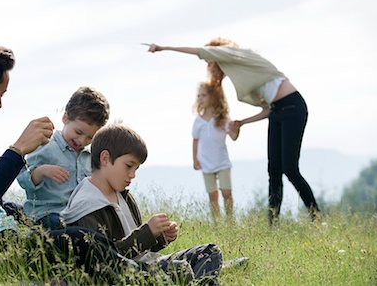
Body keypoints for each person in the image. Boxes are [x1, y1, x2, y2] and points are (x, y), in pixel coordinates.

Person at [0, 42, 155, 283]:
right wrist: (17, 151)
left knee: (88, 239)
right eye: (0, 95)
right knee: (81, 242)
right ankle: (150, 278)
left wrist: (20, 215)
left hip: (10, 232)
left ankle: (148, 273)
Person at [145, 38, 321, 224]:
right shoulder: (243, 73)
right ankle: (273, 224)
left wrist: (164, 47)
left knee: (290, 169)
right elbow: (268, 110)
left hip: (293, 107)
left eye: (210, 58)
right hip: (277, 111)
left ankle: (316, 217)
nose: (209, 63)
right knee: (274, 170)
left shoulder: (239, 55)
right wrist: (242, 122)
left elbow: (200, 51)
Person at [61, 124, 223, 285]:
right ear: (105, 158)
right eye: (129, 166)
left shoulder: (124, 195)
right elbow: (104, 263)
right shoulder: (87, 205)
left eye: (136, 168)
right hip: (124, 274)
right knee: (180, 270)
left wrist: (159, 238)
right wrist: (147, 233)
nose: (132, 175)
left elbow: (141, 250)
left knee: (209, 252)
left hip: (149, 264)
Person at [17, 86, 109, 230]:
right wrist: (42, 171)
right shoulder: (45, 145)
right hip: (46, 214)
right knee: (58, 224)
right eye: (78, 132)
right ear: (65, 118)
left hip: (78, 216)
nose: (82, 141)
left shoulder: (91, 157)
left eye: (90, 137)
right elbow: (23, 180)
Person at [192, 81, 238, 222]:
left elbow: (233, 137)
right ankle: (216, 223)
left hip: (222, 162)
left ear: (213, 97)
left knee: (226, 192)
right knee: (212, 195)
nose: (200, 98)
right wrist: (195, 159)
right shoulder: (198, 121)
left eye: (204, 95)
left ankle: (230, 221)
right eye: (199, 96)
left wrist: (236, 129)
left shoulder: (222, 119)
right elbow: (195, 140)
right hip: (206, 163)